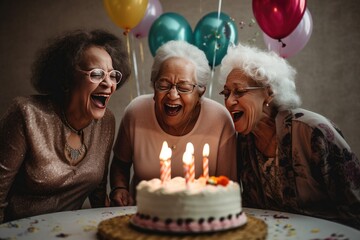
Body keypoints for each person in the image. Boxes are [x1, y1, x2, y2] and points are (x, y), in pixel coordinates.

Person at [218, 43, 360, 229]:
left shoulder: (313, 131)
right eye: (226, 93)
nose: (228, 102)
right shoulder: (243, 140)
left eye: (239, 91)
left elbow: (355, 202)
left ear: (269, 93)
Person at [0, 29, 131, 223]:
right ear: (67, 78)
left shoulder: (106, 122)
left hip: (65, 233)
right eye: (96, 74)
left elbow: (98, 191)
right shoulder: (26, 114)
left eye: (113, 75)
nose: (108, 84)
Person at [110, 40, 237, 206]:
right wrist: (119, 189)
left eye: (183, 87)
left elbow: (227, 186)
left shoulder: (220, 120)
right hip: (143, 216)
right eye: (163, 85)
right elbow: (120, 163)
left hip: (200, 219)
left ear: (200, 92)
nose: (172, 94)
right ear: (154, 88)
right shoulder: (136, 112)